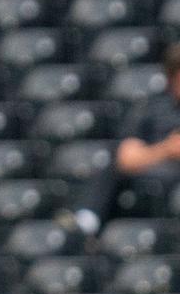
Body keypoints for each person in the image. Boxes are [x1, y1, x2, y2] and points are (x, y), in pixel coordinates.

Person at [58, 44, 180, 235]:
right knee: (111, 164)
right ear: (171, 78)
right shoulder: (153, 109)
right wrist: (166, 149)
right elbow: (127, 158)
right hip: (159, 169)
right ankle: (85, 221)